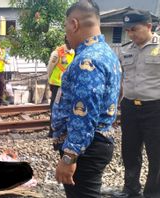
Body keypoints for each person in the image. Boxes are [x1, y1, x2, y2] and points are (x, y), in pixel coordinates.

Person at [51, 0, 121, 197]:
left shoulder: (87, 60)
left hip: (85, 150)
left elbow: (84, 112)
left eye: (66, 26)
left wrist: (69, 157)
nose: (66, 33)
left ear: (74, 24)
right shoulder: (107, 53)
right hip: (93, 144)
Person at [113, 10, 160, 198]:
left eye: (135, 29)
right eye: (128, 30)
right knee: (129, 150)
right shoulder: (125, 49)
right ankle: (131, 189)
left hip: (155, 108)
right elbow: (122, 79)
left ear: (149, 26)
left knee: (156, 154)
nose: (131, 34)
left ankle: (153, 193)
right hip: (130, 107)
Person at [47, 37, 75, 137]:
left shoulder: (74, 52)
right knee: (55, 108)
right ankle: (52, 131)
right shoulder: (57, 52)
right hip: (57, 85)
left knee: (68, 107)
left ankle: (63, 130)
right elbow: (50, 68)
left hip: (69, 85)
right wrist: (50, 80)